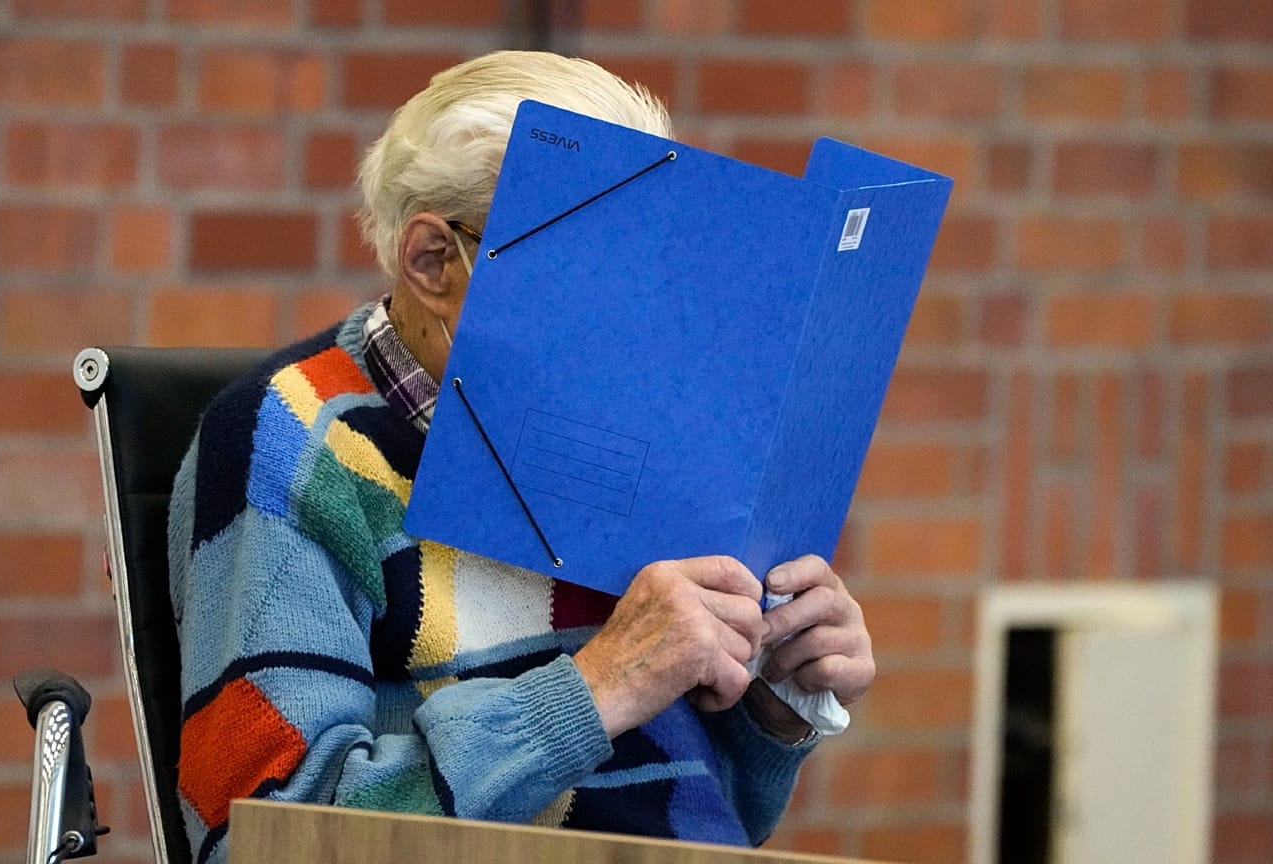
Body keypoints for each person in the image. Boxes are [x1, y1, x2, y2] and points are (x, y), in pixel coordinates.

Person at [167, 50, 875, 864]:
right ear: (433, 261)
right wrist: (594, 689)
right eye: (582, 270)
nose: (625, 318)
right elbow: (260, 836)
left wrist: (776, 710)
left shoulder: (631, 423)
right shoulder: (289, 443)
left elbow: (706, 817)